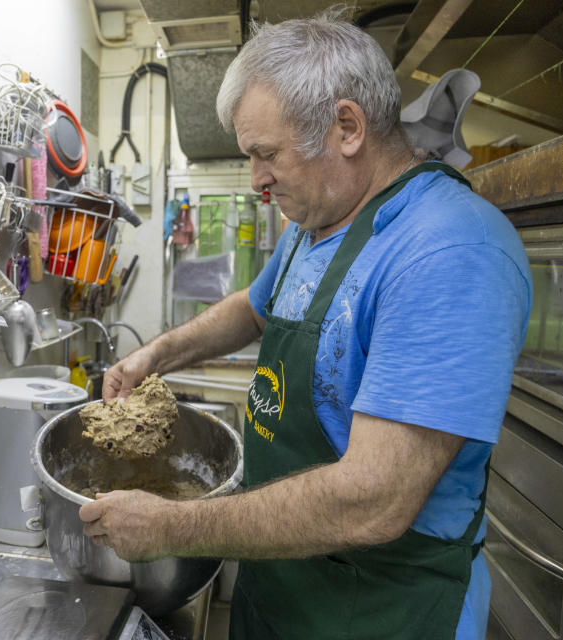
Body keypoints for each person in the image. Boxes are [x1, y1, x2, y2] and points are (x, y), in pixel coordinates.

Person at [79, 11, 532, 640]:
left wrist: (170, 526)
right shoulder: (313, 226)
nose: (258, 179)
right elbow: (254, 308)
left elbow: (375, 500)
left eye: (266, 154)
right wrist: (155, 355)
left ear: (347, 127)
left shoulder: (451, 253)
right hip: (281, 588)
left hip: (381, 609)